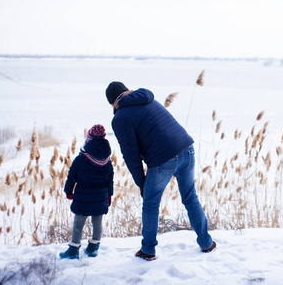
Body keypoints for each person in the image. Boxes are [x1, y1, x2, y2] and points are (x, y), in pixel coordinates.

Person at [106, 81, 216, 261]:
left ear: (112, 103)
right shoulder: (148, 99)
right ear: (127, 91)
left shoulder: (120, 118)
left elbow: (131, 155)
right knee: (190, 197)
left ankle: (148, 250)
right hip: (186, 148)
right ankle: (206, 243)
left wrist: (142, 183)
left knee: (150, 204)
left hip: (163, 159)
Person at [59, 124, 114, 259]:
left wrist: (68, 191)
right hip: (100, 198)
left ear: (88, 140)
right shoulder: (107, 161)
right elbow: (110, 181)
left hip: (82, 198)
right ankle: (93, 249)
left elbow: (72, 177)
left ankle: (73, 251)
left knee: (78, 224)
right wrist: (109, 196)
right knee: (97, 223)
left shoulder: (80, 159)